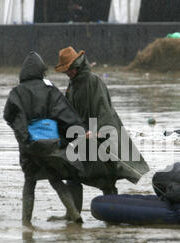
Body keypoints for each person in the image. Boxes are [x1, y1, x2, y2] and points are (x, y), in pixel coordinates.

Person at [55, 47, 150, 215]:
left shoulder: (93, 81)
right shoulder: (72, 85)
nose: (67, 73)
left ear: (76, 65)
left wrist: (98, 131)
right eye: (65, 71)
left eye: (68, 69)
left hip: (98, 136)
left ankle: (113, 213)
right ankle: (73, 215)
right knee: (72, 174)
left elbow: (105, 110)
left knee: (106, 177)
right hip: (79, 136)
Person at [4, 52, 87, 225]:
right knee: (55, 179)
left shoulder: (16, 92)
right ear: (41, 71)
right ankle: (74, 214)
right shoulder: (50, 90)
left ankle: (26, 222)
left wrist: (24, 135)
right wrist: (78, 133)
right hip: (51, 144)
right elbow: (65, 114)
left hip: (29, 145)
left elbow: (8, 116)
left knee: (29, 182)